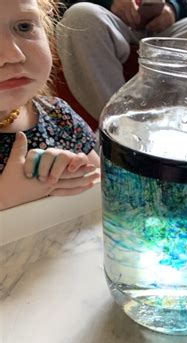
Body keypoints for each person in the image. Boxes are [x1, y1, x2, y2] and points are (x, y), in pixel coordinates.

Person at [0, 0, 100, 211]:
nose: (14, 54)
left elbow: (105, 190)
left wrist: (76, 173)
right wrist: (5, 201)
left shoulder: (59, 116)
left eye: (24, 27)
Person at [56, 0, 187, 120]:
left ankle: (179, 122)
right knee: (79, 16)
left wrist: (173, 8)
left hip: (166, 32)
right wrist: (109, 2)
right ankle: (116, 123)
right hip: (107, 21)